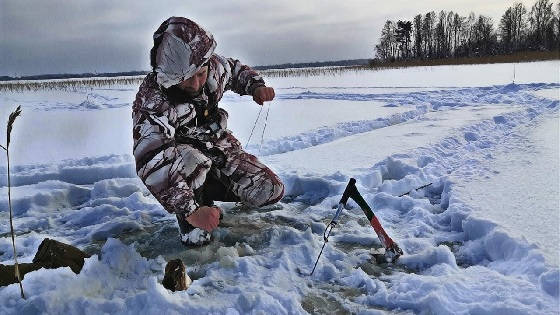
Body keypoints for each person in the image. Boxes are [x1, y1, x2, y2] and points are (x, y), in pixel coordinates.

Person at [132, 17, 284, 246]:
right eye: (185, 79)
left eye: (200, 74)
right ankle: (192, 218)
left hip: (216, 144)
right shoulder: (153, 102)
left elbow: (233, 70)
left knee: (269, 189)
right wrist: (191, 210)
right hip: (181, 157)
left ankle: (208, 192)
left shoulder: (213, 67)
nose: (195, 84)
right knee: (193, 162)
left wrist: (255, 86)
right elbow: (153, 161)